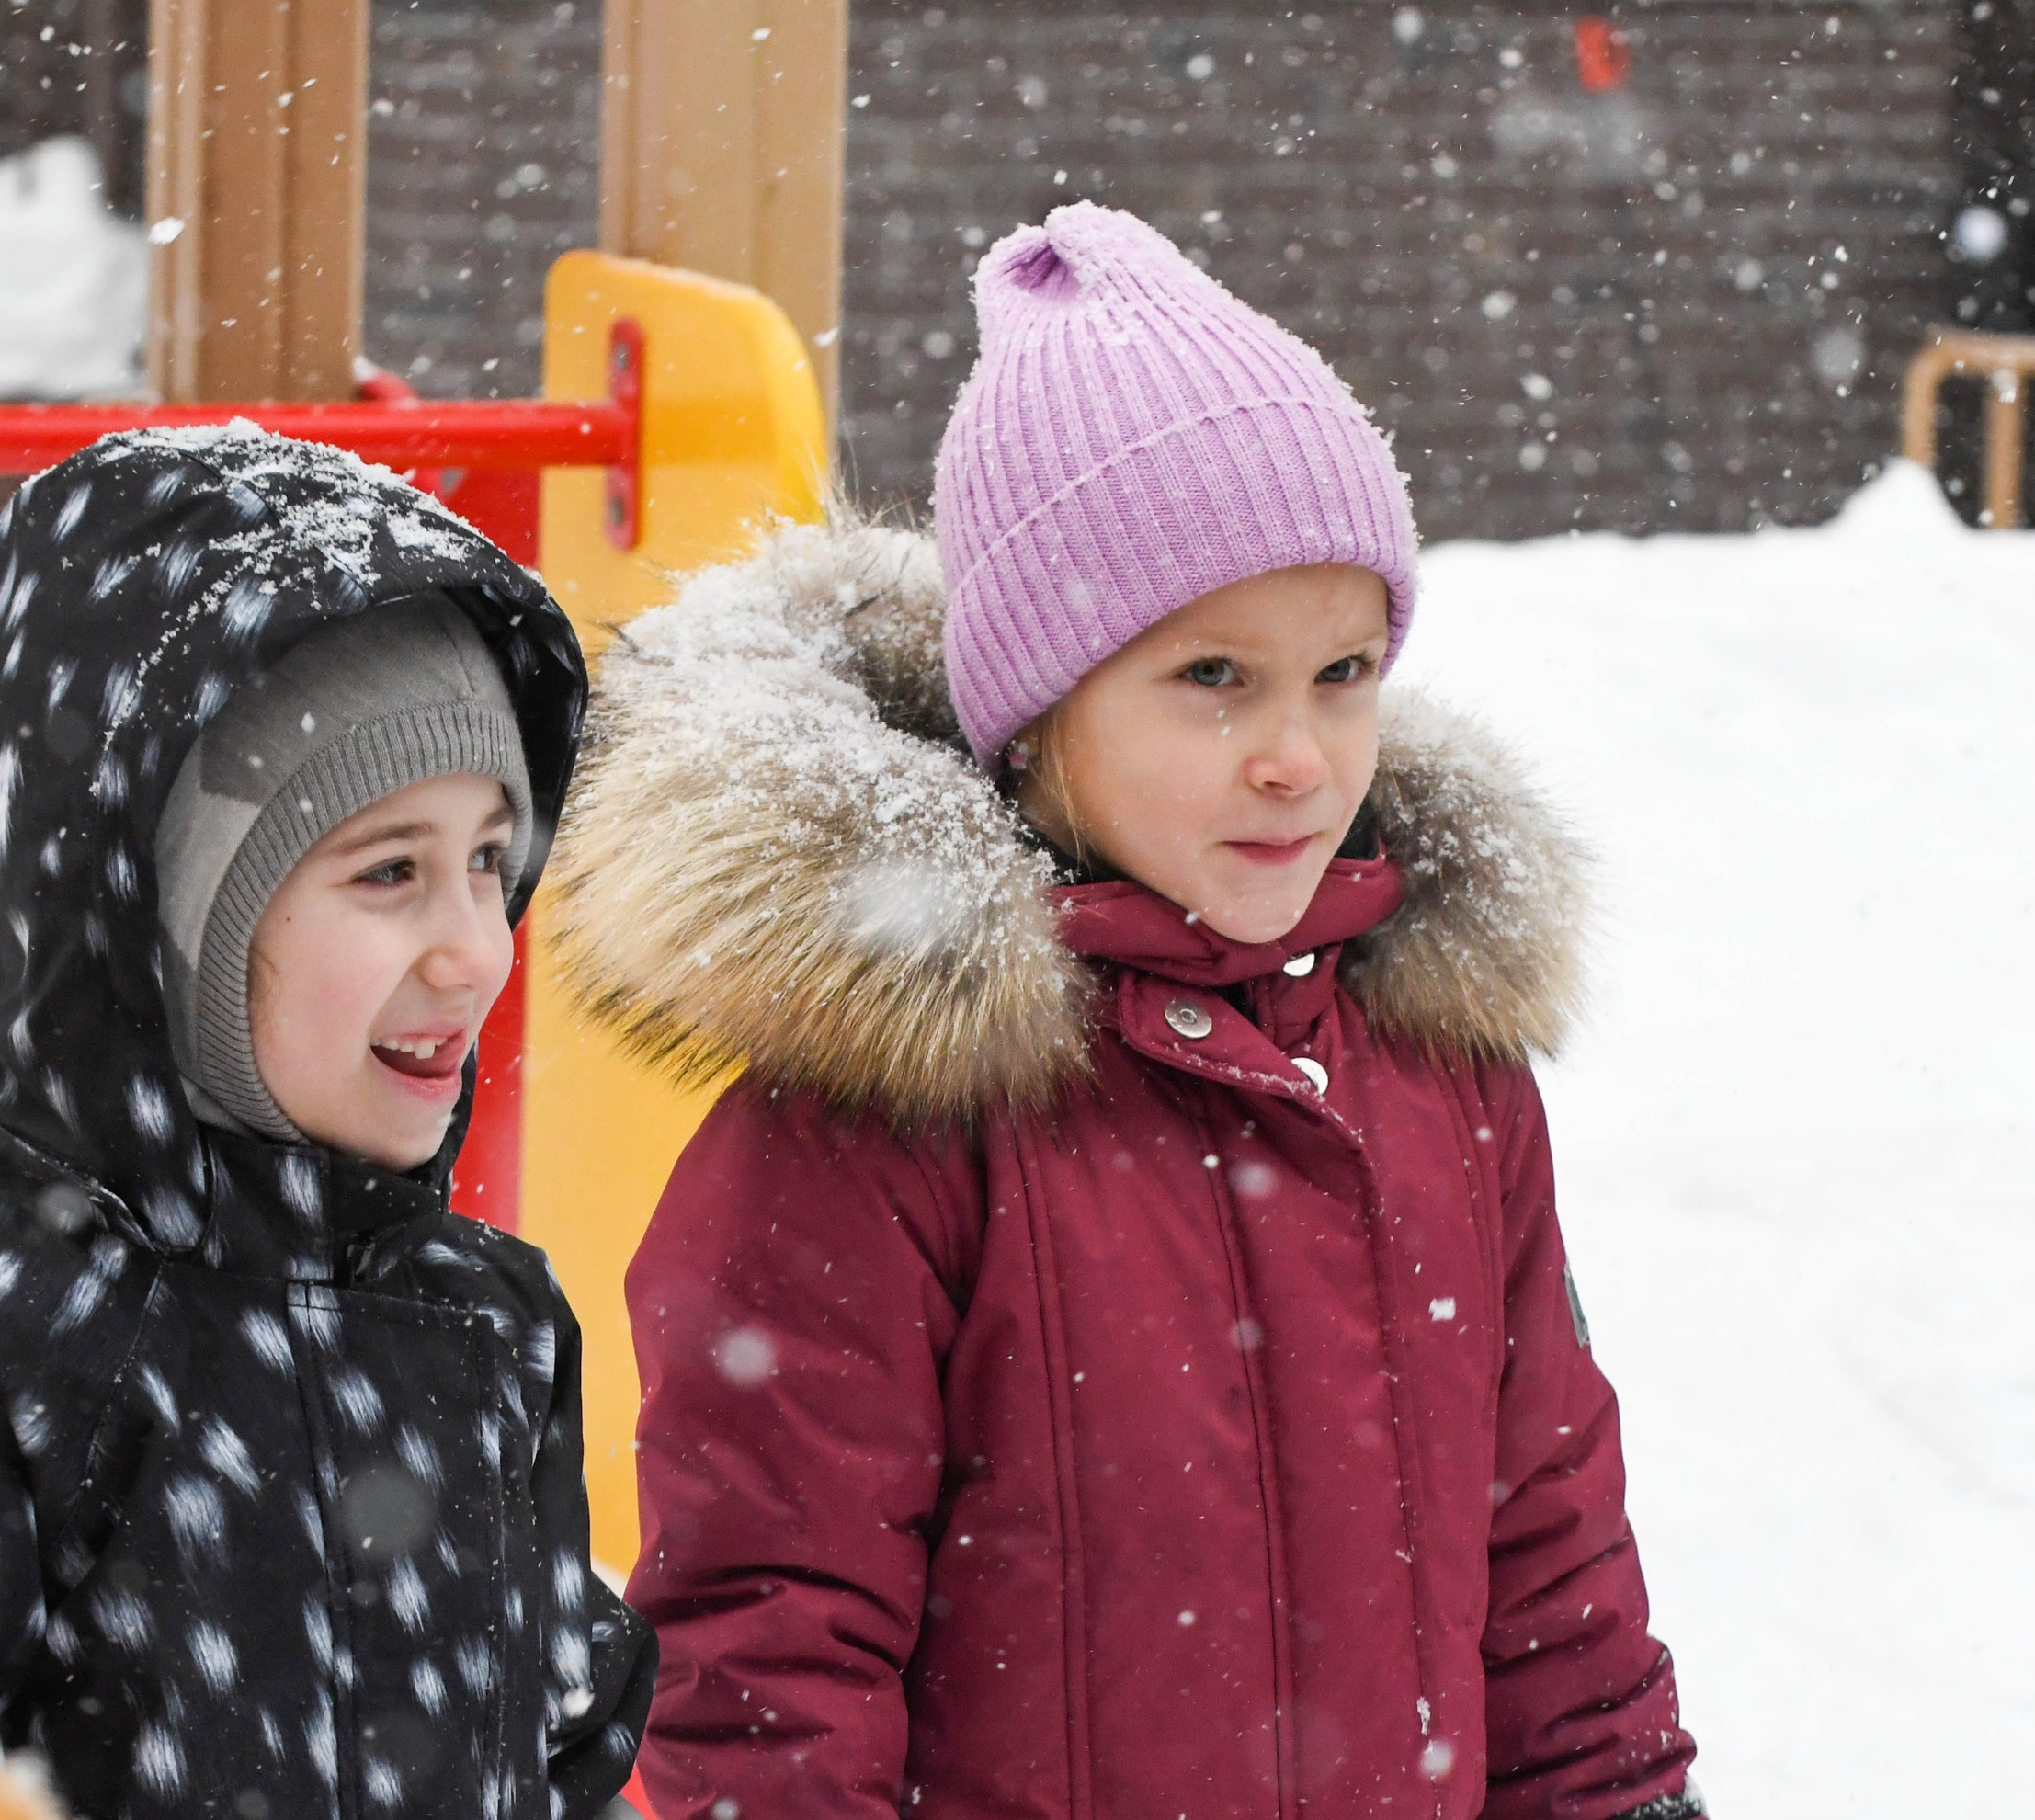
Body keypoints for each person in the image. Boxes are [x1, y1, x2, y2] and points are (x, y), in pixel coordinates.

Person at [551, 203, 1704, 1820]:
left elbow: (1550, 1549)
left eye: (1343, 674)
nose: (1295, 758)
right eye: (1213, 680)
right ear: (1035, 716)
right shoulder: (889, 1112)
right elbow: (767, 1650)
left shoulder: (1441, 1074)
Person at [0, 425, 655, 1820]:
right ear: (169, 930)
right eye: (389, 873)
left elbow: (563, 1764)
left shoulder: (490, 1330)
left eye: (488, 862)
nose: (476, 950)